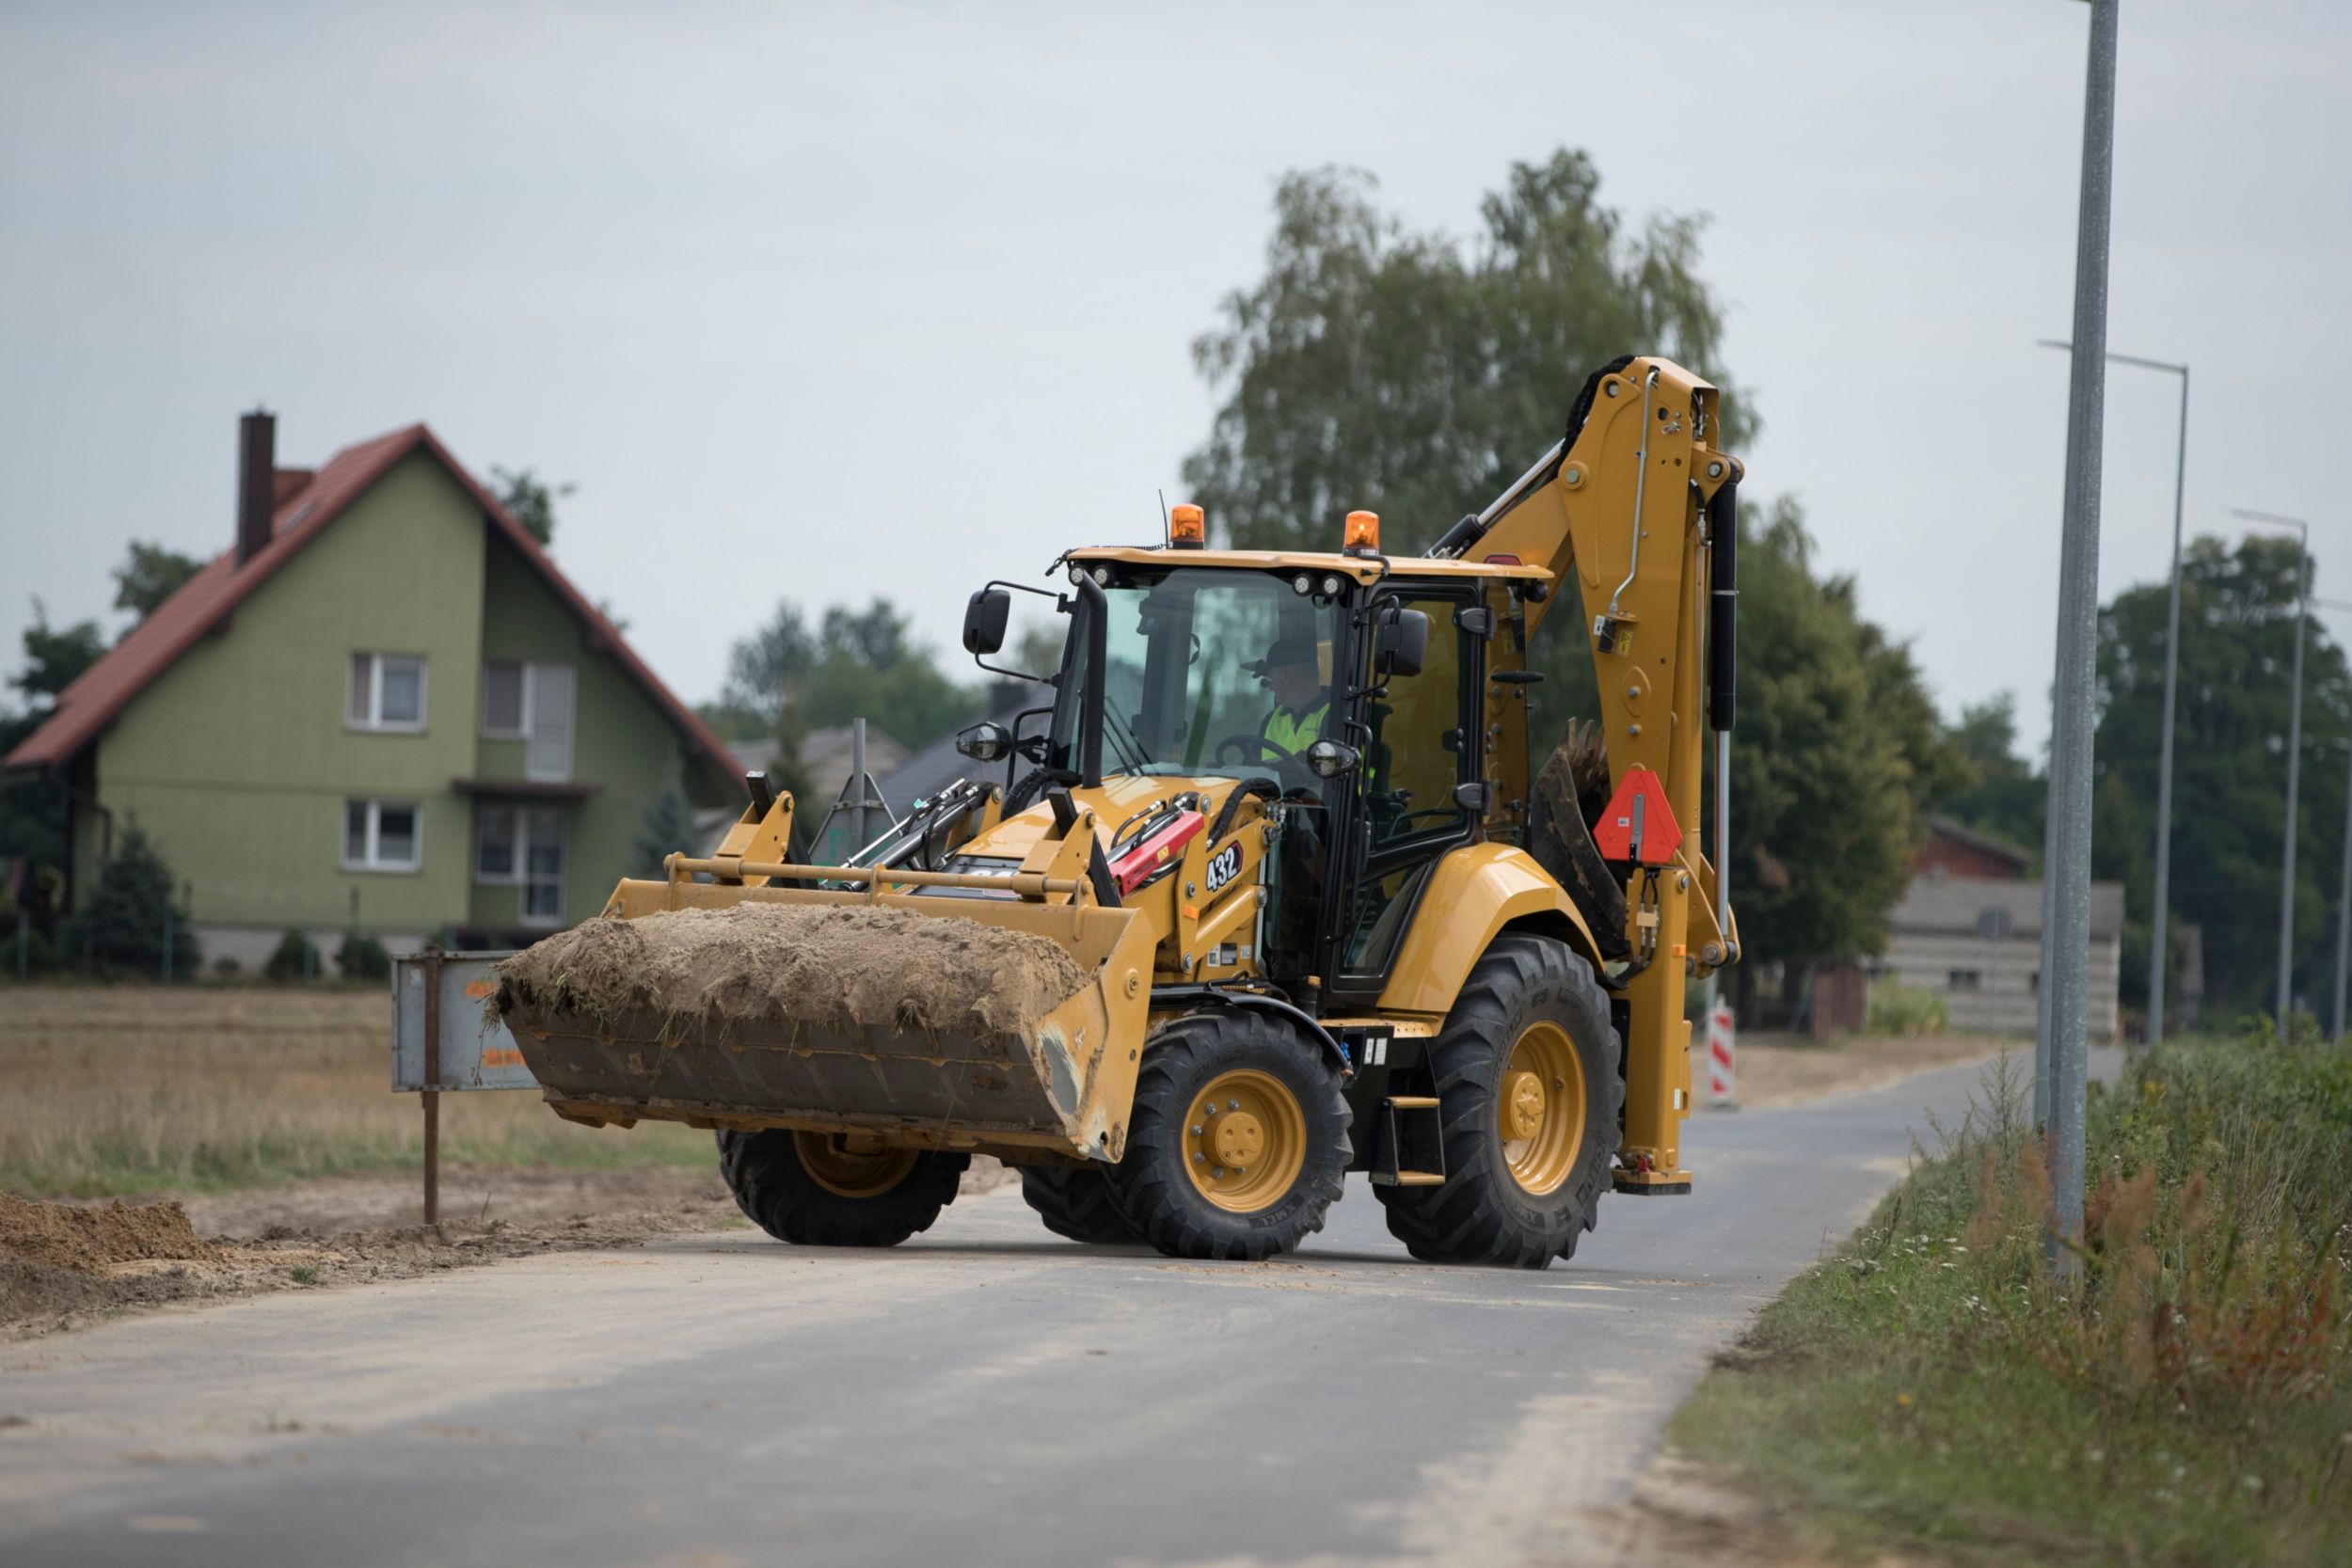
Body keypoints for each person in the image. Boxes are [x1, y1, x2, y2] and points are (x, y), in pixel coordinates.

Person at [1251, 637, 1329, 754]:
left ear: (1287, 677)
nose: (1271, 687)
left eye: (1271, 677)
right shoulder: (1270, 720)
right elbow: (1251, 763)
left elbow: (1323, 763)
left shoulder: (1333, 716)